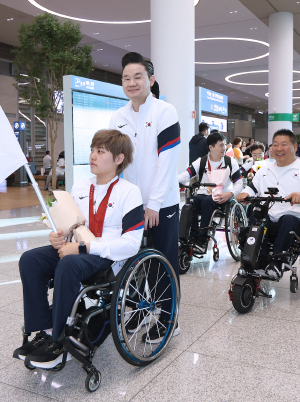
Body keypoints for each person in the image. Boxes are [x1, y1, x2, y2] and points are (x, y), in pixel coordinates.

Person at [15, 130, 144, 368]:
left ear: (119, 159)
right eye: (93, 150)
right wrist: (58, 239)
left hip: (107, 256)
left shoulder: (129, 192)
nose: (93, 155)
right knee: (30, 260)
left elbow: (131, 243)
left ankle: (60, 339)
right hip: (76, 248)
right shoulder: (81, 187)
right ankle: (45, 328)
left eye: (100, 151)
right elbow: (71, 226)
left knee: (68, 263)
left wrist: (83, 247)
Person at [109, 52, 181, 342]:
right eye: (126, 78)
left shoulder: (165, 111)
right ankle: (139, 309)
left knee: (163, 262)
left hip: (162, 205)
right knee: (132, 261)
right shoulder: (118, 116)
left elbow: (167, 160)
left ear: (150, 80)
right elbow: (116, 160)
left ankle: (168, 319)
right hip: (131, 204)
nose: (132, 82)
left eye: (138, 76)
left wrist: (154, 203)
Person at [236, 129, 300, 275]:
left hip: (293, 220)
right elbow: (252, 188)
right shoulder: (264, 170)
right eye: (275, 145)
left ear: (295, 147)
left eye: (284, 144)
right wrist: (245, 194)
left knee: (288, 219)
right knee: (255, 217)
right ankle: (259, 259)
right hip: (268, 218)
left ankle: (277, 263)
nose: (279, 149)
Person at [178, 133, 242, 249]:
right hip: (204, 195)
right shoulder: (201, 161)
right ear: (211, 147)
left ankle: (202, 240)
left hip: (223, 197)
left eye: (224, 145)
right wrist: (172, 181)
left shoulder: (230, 162)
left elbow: (239, 182)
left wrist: (230, 194)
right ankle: (190, 236)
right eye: (221, 145)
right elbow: (186, 175)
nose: (224, 148)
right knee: (191, 201)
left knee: (207, 201)